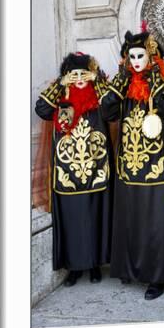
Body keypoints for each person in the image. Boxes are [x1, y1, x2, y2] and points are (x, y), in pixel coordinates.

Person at [98, 23, 164, 300]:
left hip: (158, 165)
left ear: (151, 57)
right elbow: (107, 110)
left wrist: (156, 80)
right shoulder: (123, 84)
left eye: (140, 57)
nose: (135, 62)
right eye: (131, 57)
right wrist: (122, 80)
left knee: (157, 221)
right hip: (130, 164)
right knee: (131, 218)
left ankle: (157, 277)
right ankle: (131, 270)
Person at [33, 52, 112, 286]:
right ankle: (74, 268)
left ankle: (95, 264)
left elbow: (112, 108)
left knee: (94, 216)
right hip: (67, 172)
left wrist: (97, 79)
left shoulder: (98, 96)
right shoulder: (62, 99)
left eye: (83, 73)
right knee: (71, 218)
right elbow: (42, 110)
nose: (78, 77)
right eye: (73, 73)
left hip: (95, 168)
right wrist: (60, 85)